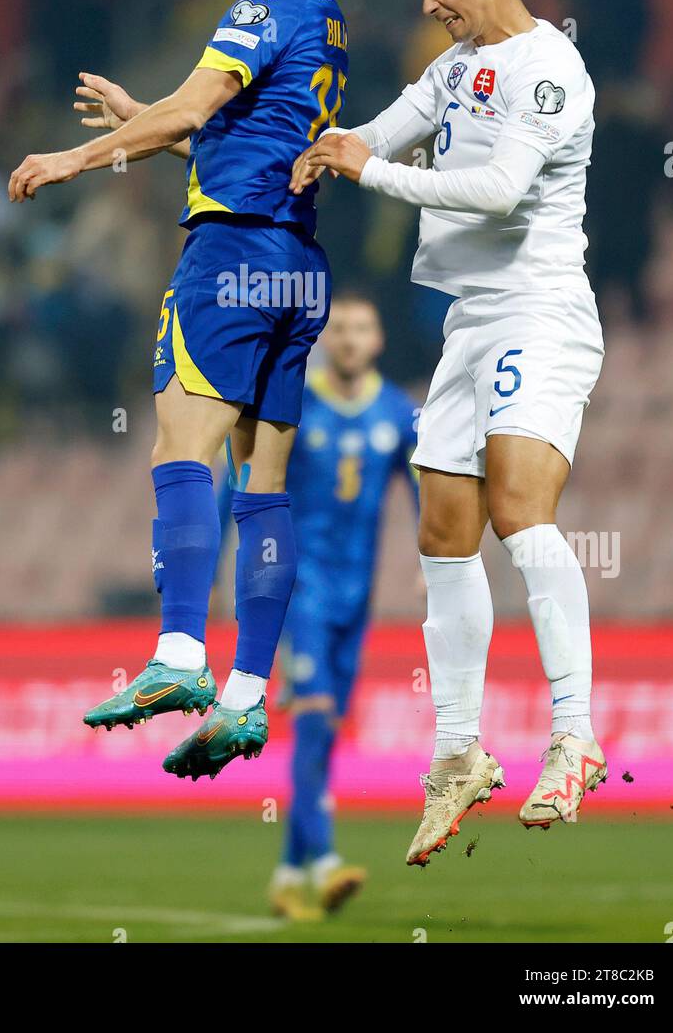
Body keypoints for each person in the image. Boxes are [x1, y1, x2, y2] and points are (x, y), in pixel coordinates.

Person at [8, 0, 368, 780]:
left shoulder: (266, 3)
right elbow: (235, 128)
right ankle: (248, 694)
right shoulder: (330, 25)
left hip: (231, 255)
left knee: (180, 450)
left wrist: (77, 155)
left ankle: (177, 656)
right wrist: (152, 121)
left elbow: (199, 103)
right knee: (265, 485)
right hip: (296, 269)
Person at [291, 0, 607, 864]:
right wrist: (287, 147)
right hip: (469, 324)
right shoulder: (455, 65)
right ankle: (459, 750)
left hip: (540, 312)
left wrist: (375, 172)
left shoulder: (550, 71)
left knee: (519, 511)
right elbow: (377, 130)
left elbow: (502, 189)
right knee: (441, 531)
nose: (431, 8)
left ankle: (573, 734)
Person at [219, 292, 419, 919]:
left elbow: (423, 494)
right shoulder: (295, 403)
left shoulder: (398, 413)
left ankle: (285, 873)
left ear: (379, 339)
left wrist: (434, 565)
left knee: (324, 735)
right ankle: (327, 863)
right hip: (297, 587)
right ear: (326, 340)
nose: (352, 339)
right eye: (342, 329)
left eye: (363, 327)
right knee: (311, 720)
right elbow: (243, 480)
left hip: (356, 601)